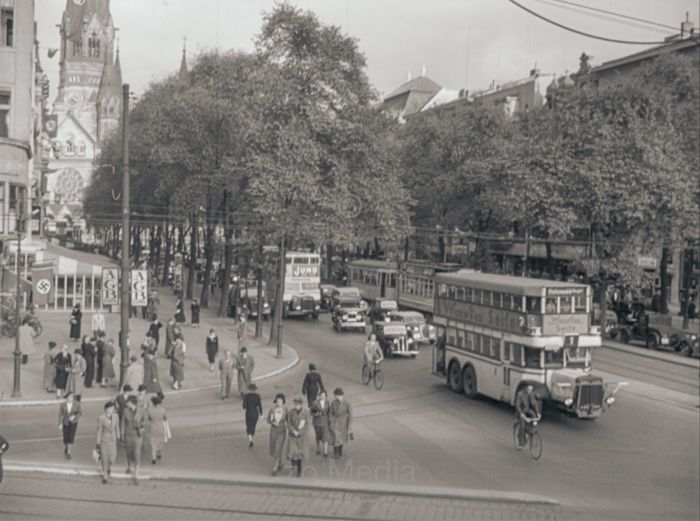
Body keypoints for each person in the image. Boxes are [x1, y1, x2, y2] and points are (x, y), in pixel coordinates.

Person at [121, 395, 145, 484]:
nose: (127, 403)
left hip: (137, 434)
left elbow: (145, 422)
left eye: (128, 402)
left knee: (137, 453)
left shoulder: (141, 411)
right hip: (128, 435)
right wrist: (121, 435)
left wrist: (140, 425)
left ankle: (136, 474)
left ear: (132, 403)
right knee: (129, 452)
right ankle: (129, 467)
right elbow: (122, 423)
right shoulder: (125, 411)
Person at [96, 401, 120, 484]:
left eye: (112, 408)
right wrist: (98, 442)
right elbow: (99, 431)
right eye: (109, 408)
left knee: (112, 457)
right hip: (104, 440)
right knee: (104, 458)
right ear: (106, 409)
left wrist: (119, 437)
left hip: (113, 440)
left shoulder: (116, 416)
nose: (111, 410)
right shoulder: (101, 418)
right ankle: (105, 475)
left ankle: (109, 467)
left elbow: (117, 427)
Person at [287, 395, 310, 477]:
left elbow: (307, 425)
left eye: (298, 403)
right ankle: (294, 468)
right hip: (292, 436)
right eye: (295, 403)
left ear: (301, 404)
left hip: (301, 437)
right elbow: (288, 423)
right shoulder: (290, 412)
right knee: (293, 452)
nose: (297, 405)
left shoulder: (306, 412)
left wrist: (300, 432)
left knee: (300, 453)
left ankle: (299, 471)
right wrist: (293, 431)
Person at [514, 384, 542, 450]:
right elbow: (517, 405)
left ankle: (532, 430)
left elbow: (534, 403)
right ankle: (520, 444)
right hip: (521, 412)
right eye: (529, 389)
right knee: (522, 426)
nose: (530, 390)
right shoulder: (520, 394)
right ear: (526, 388)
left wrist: (538, 413)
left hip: (527, 410)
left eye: (531, 389)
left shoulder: (531, 394)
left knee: (533, 416)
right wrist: (521, 413)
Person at [267, 393, 288, 476]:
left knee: (278, 448)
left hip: (282, 431)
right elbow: (268, 420)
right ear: (276, 401)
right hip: (273, 431)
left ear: (283, 402)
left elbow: (288, 420)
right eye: (278, 400)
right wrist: (272, 422)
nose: (279, 402)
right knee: (273, 449)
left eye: (281, 401)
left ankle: (274, 468)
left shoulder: (286, 410)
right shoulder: (272, 409)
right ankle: (280, 463)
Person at [329, 388, 352, 458]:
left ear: (341, 395)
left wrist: (349, 424)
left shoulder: (347, 403)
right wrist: (331, 421)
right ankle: (336, 453)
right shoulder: (333, 402)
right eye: (336, 395)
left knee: (342, 439)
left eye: (338, 395)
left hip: (343, 423)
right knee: (336, 438)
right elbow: (331, 413)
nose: (337, 397)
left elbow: (351, 414)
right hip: (335, 423)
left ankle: (340, 452)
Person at [58, 392, 81, 459]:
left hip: (73, 423)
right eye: (69, 397)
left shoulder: (77, 404)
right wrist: (60, 423)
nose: (70, 398)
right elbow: (60, 414)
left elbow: (80, 412)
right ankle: (66, 447)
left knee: (71, 437)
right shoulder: (63, 405)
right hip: (65, 422)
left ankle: (69, 452)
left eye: (72, 397)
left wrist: (74, 416)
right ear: (67, 398)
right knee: (65, 437)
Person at [147, 395, 169, 464]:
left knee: (153, 443)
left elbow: (149, 418)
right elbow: (165, 418)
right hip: (160, 427)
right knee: (160, 441)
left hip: (153, 427)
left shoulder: (150, 410)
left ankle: (153, 458)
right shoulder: (163, 409)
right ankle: (159, 453)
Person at [310, 390, 330, 457]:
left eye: (324, 395)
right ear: (319, 395)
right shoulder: (315, 403)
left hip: (325, 422)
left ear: (325, 396)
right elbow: (311, 412)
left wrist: (330, 420)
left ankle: (325, 451)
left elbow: (329, 412)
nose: (323, 397)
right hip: (317, 422)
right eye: (321, 395)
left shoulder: (327, 402)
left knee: (325, 436)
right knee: (318, 436)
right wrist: (316, 414)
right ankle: (318, 448)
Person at [242, 383, 263, 448]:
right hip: (255, 413)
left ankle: (250, 439)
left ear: (249, 389)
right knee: (253, 426)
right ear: (255, 390)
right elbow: (260, 406)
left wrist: (246, 405)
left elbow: (244, 406)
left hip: (248, 413)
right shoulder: (258, 396)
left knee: (248, 426)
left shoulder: (246, 396)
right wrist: (261, 414)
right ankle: (252, 435)